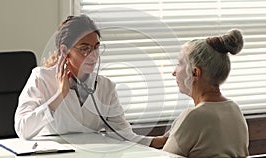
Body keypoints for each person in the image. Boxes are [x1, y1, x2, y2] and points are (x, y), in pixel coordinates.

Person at [14, 14, 166, 148]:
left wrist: (157, 141)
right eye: (84, 48)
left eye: (96, 48)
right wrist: (60, 95)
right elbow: (23, 130)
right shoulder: (41, 78)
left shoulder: (106, 87)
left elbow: (122, 134)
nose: (92, 55)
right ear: (64, 51)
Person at [162, 29, 249, 157]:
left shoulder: (194, 116)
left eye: (179, 64)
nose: (174, 72)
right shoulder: (235, 110)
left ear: (195, 73)